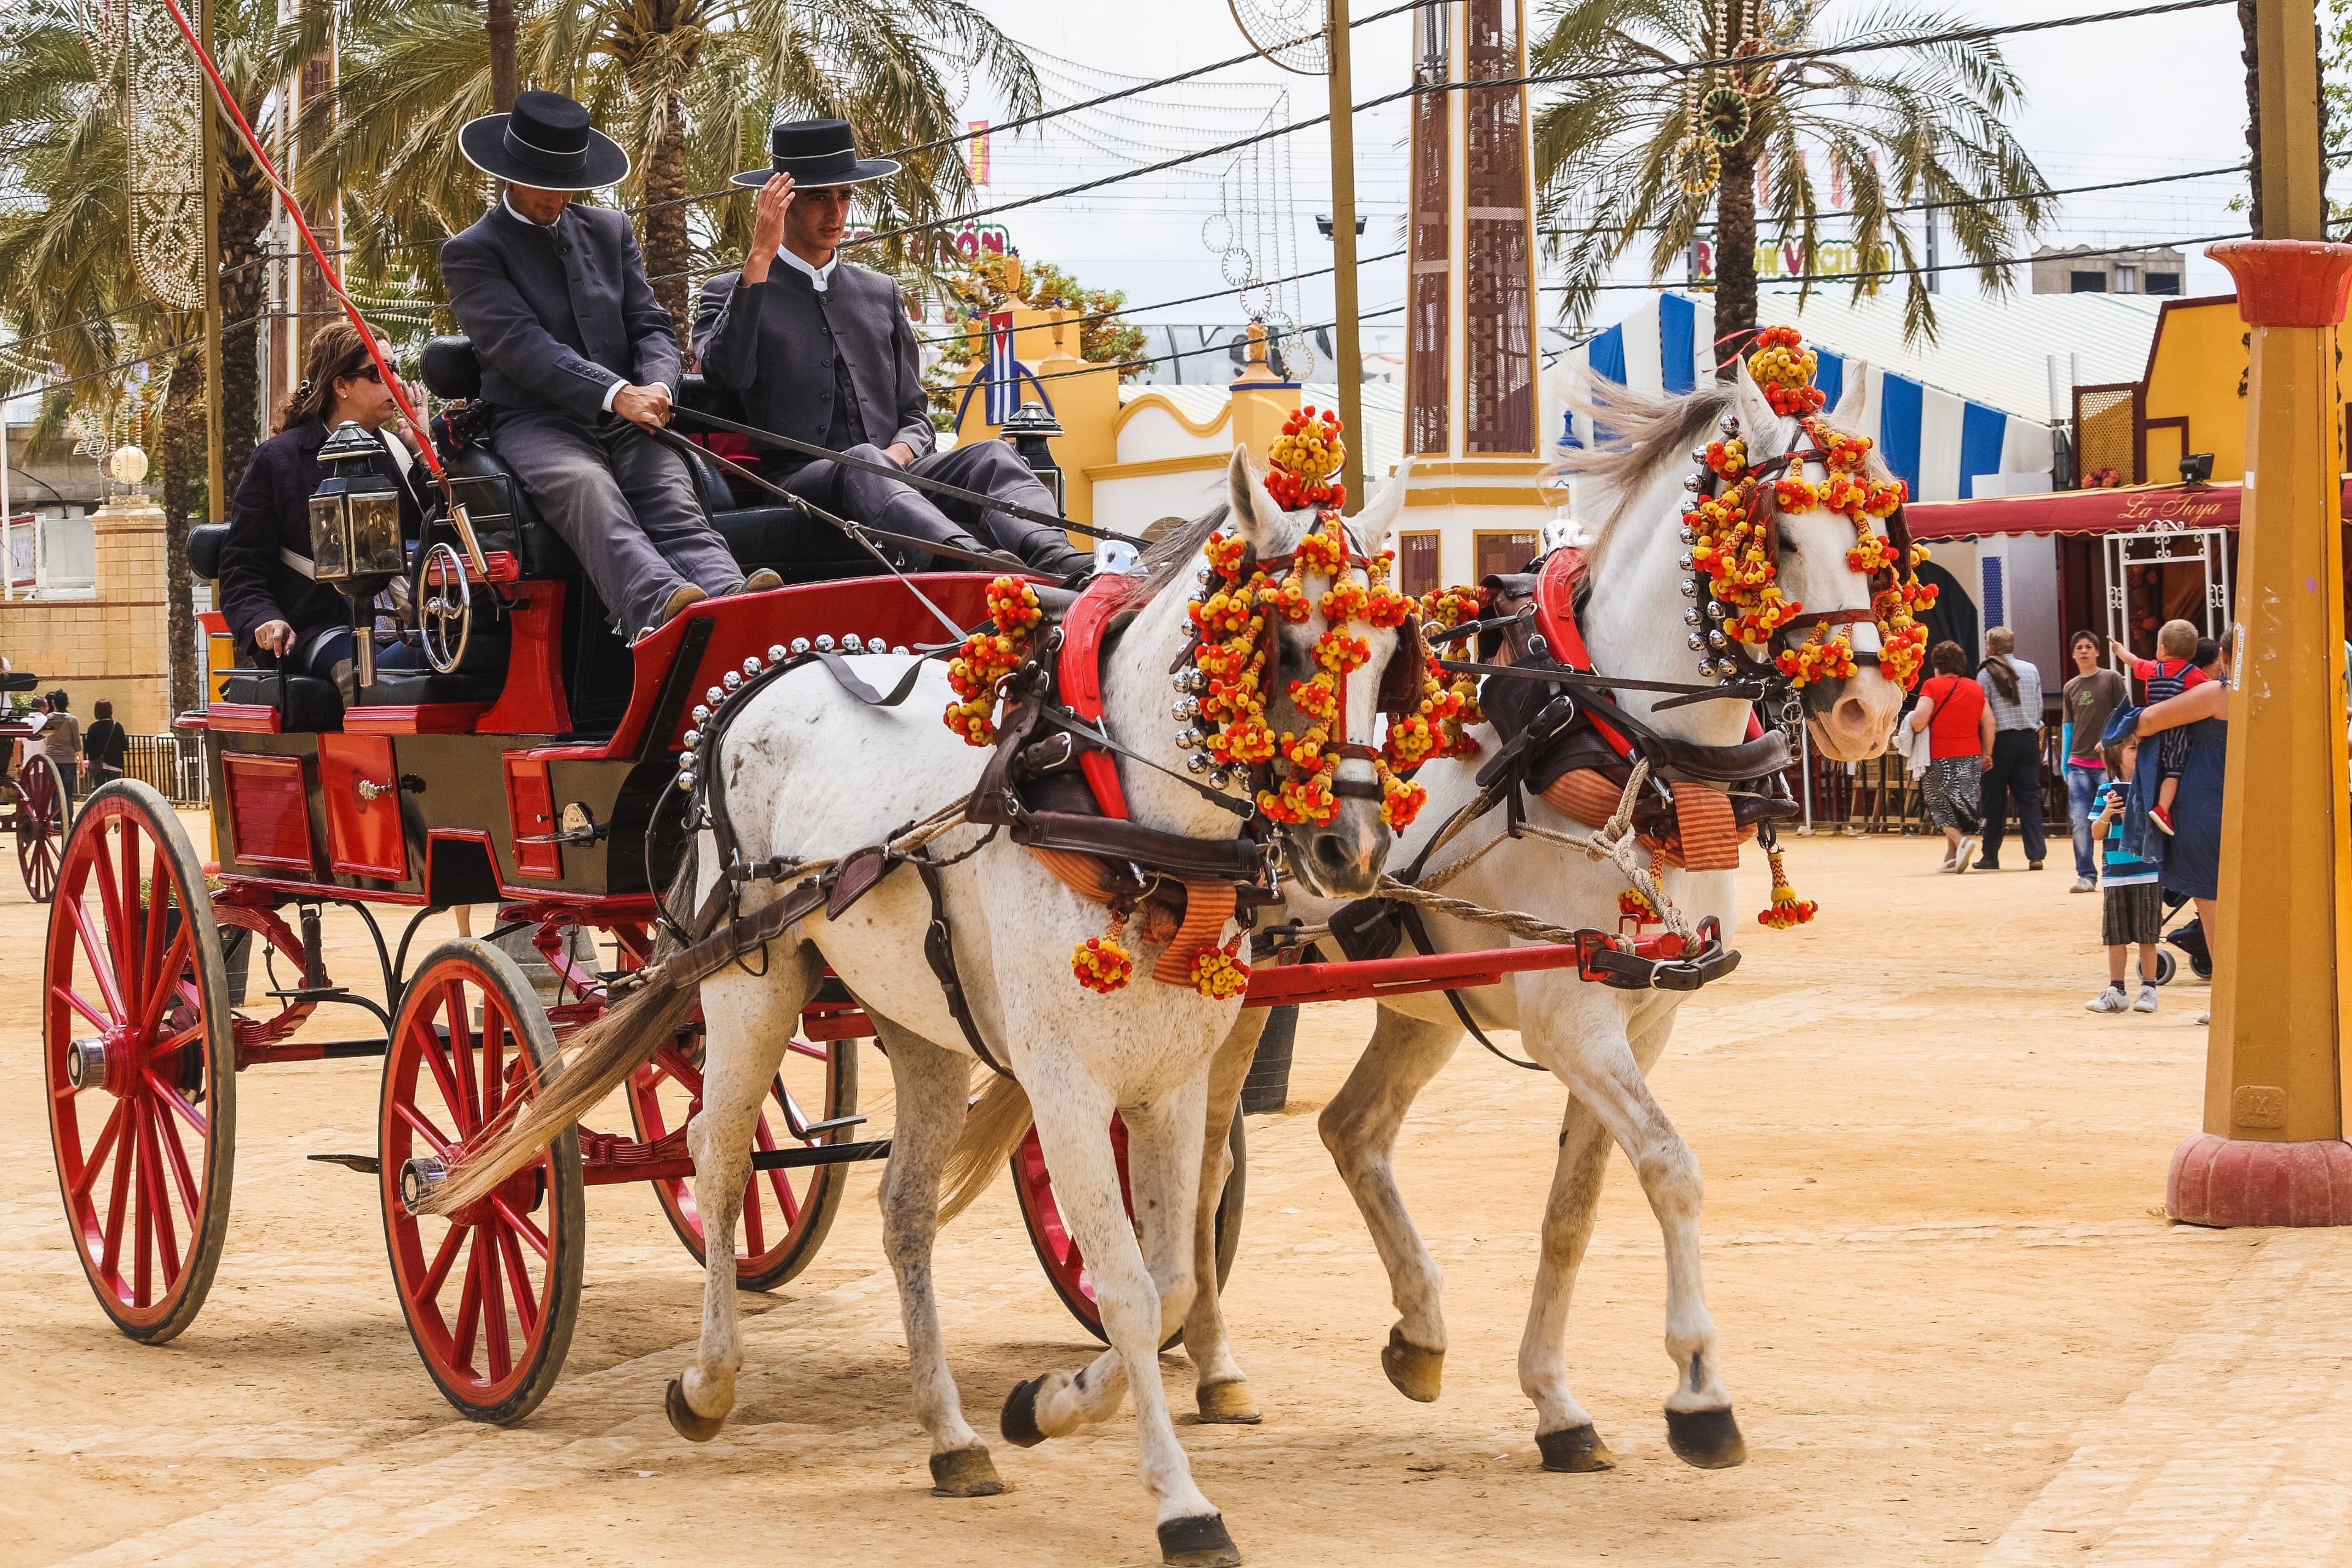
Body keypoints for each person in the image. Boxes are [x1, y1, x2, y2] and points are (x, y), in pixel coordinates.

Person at [692, 119, 1091, 580]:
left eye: (844, 196)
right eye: (819, 197)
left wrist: (902, 450)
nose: (835, 212)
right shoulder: (731, 289)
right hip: (801, 484)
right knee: (862, 459)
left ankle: (1059, 558)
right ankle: (963, 565)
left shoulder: (880, 292)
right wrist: (758, 259)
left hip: (900, 471)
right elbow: (725, 375)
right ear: (780, 203)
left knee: (994, 455)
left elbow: (915, 412)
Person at [442, 90, 770, 641]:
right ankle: (661, 610)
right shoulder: (473, 250)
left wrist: (659, 386)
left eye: (568, 181)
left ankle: (735, 601)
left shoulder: (609, 230)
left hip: (633, 415)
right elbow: (520, 345)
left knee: (672, 499)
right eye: (546, 183)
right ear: (511, 175)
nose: (560, 196)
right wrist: (616, 391)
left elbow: (651, 326)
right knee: (589, 491)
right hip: (534, 421)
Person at [218, 323, 434, 694]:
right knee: (365, 681)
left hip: (405, 620)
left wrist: (423, 448)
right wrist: (266, 619)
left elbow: (442, 535)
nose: (395, 381)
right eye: (377, 372)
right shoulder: (278, 459)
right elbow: (242, 569)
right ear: (341, 385)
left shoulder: (402, 451)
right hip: (319, 628)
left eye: (396, 369)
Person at [2131, 674, 2230, 1026]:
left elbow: (2148, 720)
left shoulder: (2220, 693)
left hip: (2206, 810)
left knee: (2214, 907)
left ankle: (2227, 1003)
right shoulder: (2289, 695)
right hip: (2262, 810)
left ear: (2224, 657)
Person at [2085, 736, 2162, 1013]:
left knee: (2147, 936)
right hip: (2115, 875)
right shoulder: (2106, 790)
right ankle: (2116, 989)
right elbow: (2095, 833)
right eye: (2133, 748)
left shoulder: (2152, 788)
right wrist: (2107, 813)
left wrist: (2137, 815)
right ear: (2117, 754)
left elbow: (2160, 827)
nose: (2138, 753)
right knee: (2115, 936)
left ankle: (2149, 989)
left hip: (2147, 872)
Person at [2109, 620, 2206, 837]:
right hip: (2177, 732)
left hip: (2152, 734)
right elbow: (2211, 690)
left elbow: (2132, 661)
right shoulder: (2194, 674)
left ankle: (2143, 810)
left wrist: (2118, 649)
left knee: (2154, 770)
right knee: (2174, 772)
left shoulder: (2152, 669)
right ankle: (2162, 809)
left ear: (2162, 649)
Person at [1907, 639, 1992, 872]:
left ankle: (1962, 842)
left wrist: (1910, 723)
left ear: (1937, 666)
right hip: (1971, 755)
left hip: (1940, 755)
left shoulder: (1932, 686)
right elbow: (1989, 722)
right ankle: (1951, 857)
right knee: (1959, 803)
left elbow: (1919, 720)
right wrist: (1988, 753)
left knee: (1938, 804)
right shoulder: (1976, 688)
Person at [1974, 626, 2046, 871]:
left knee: (1994, 799)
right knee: (2030, 797)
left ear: (1992, 648)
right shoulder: (2031, 669)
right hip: (2028, 738)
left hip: (2000, 740)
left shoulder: (1986, 674)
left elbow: (1984, 715)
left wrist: (1986, 751)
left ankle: (1990, 855)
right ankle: (2036, 854)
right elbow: (2038, 708)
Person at [2060, 630, 2127, 893]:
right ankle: (2086, 875)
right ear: (2074, 654)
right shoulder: (2070, 687)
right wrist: (2066, 764)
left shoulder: (2111, 679)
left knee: (2113, 818)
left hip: (2108, 764)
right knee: (2079, 819)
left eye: (2089, 647)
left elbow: (2126, 714)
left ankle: (2116, 870)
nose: (2084, 651)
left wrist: (2111, 742)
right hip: (2079, 763)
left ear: (2098, 652)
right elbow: (2068, 726)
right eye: (2079, 648)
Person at [31, 690, 80, 810]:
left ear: (53, 703)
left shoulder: (48, 718)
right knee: (67, 792)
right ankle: (67, 818)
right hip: (68, 759)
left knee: (53, 792)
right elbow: (77, 743)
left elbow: (45, 736)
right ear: (67, 703)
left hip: (52, 758)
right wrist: (81, 763)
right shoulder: (72, 720)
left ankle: (55, 819)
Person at [83, 698, 126, 788]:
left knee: (100, 791)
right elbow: (125, 746)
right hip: (115, 765)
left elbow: (87, 748)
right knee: (114, 790)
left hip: (98, 766)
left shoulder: (93, 727)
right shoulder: (117, 727)